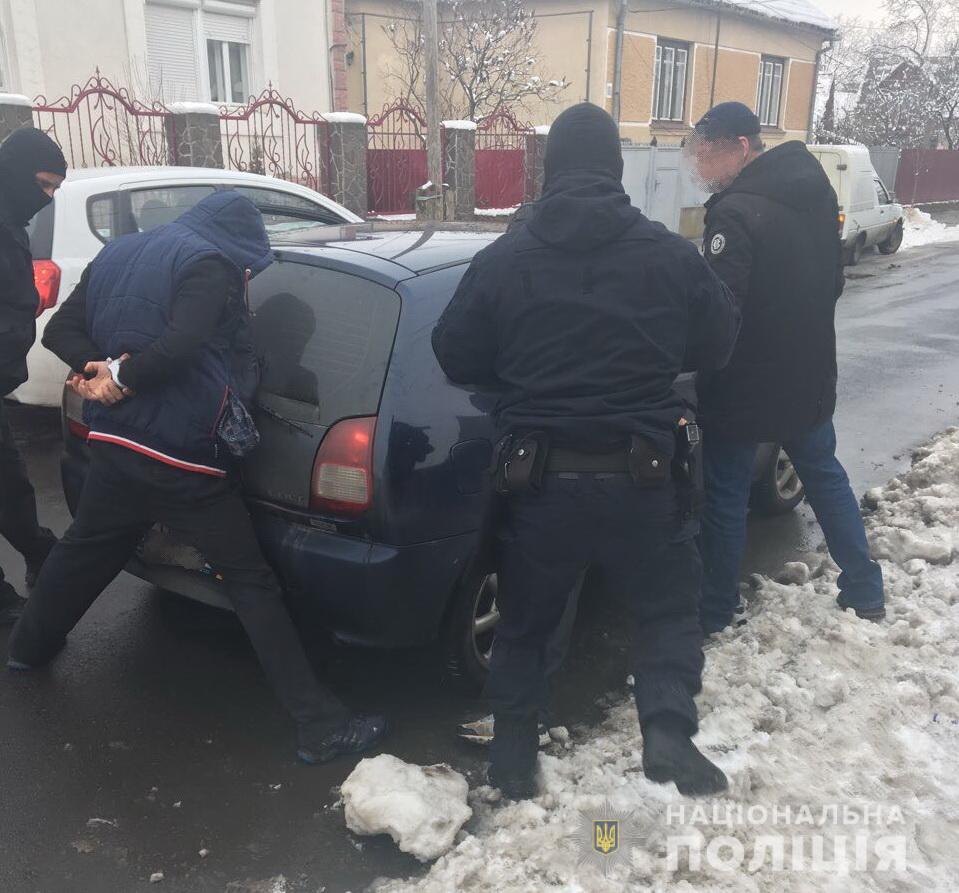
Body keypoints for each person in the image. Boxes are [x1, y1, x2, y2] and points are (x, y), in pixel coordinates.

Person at [6, 191, 387, 764]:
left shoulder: (119, 252)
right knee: (250, 581)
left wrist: (100, 372)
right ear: (240, 241)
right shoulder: (211, 264)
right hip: (181, 457)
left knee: (86, 546)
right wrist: (123, 375)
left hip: (115, 442)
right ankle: (321, 726)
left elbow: (60, 329)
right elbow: (183, 343)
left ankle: (27, 649)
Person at [432, 102, 741, 800]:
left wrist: (516, 374)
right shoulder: (667, 254)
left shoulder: (505, 258)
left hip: (538, 485)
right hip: (645, 479)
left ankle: (512, 757)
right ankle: (665, 728)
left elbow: (452, 350)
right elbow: (718, 342)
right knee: (665, 609)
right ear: (614, 168)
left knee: (525, 623)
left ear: (550, 170)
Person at [685, 102, 885, 636]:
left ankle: (717, 608)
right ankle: (865, 590)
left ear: (741, 149)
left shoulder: (734, 212)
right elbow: (835, 280)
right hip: (809, 372)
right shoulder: (816, 191)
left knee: (726, 495)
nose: (700, 164)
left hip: (744, 382)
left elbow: (723, 309)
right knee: (824, 477)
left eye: (707, 152)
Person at [0, 127, 67, 625]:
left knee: (8, 482)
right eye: (43, 185)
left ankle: (39, 552)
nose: (45, 200)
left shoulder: (11, 222)